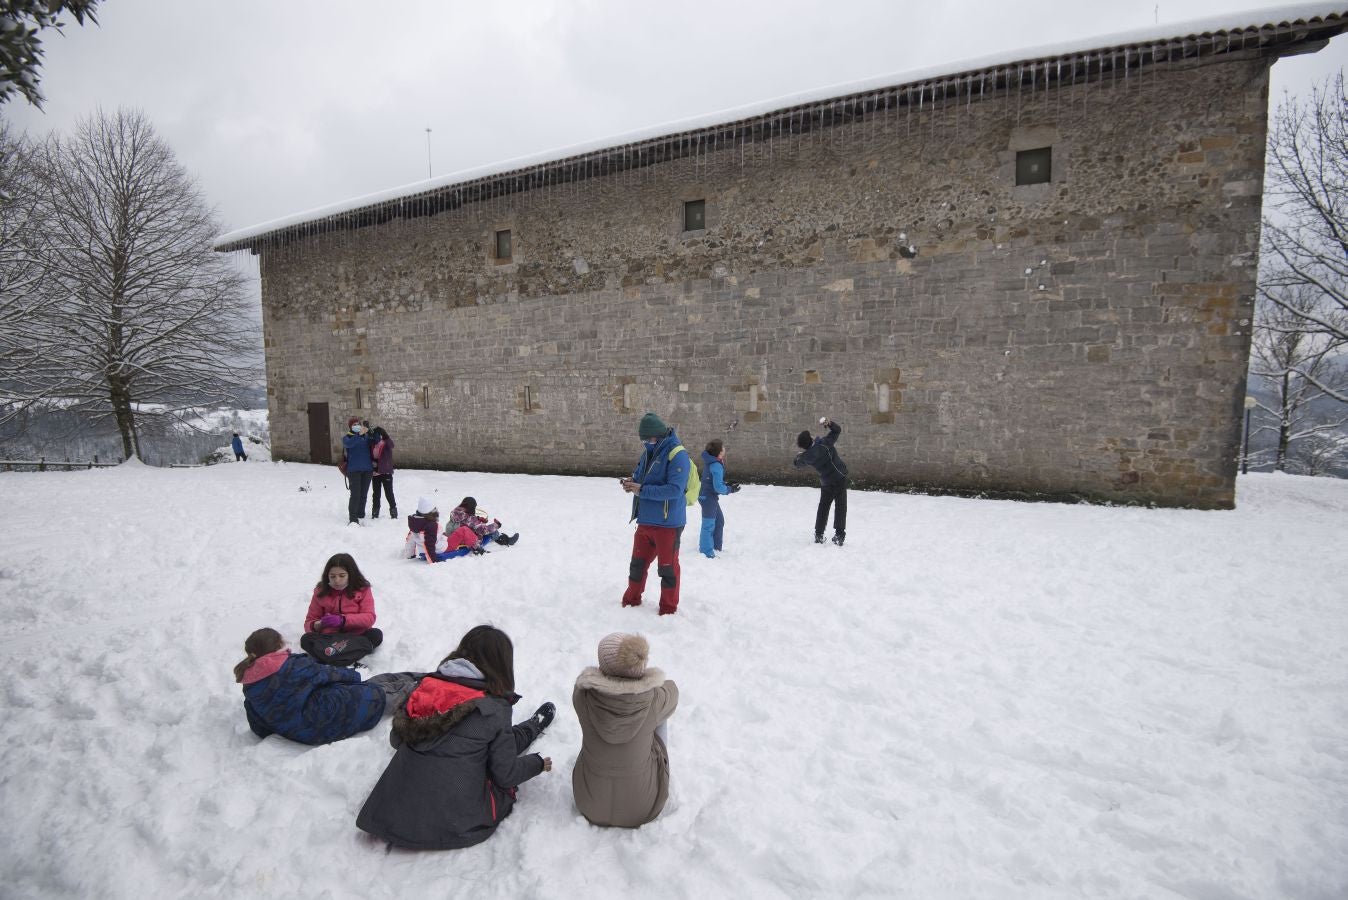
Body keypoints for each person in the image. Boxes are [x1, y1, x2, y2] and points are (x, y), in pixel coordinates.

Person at [356, 625, 557, 850]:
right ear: (501, 664)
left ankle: (529, 728)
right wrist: (537, 763)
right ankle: (532, 728)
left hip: (391, 813)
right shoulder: (493, 708)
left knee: (489, 741)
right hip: (452, 823)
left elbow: (397, 741)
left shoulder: (426, 688)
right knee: (497, 769)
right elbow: (506, 775)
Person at [235, 627, 419, 746]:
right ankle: (419, 688)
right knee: (372, 693)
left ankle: (413, 682)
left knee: (367, 687)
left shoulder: (249, 684)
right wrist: (354, 676)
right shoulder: (291, 665)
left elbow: (258, 727)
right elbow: (328, 674)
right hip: (321, 722)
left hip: (297, 732)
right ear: (278, 646)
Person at [572, 633, 678, 828]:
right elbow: (673, 691)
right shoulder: (653, 698)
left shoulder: (582, 695)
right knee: (660, 715)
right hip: (642, 808)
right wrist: (651, 682)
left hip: (589, 802)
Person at [620, 412, 690, 615]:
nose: (644, 443)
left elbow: (674, 490)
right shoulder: (649, 452)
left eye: (647, 439)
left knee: (667, 569)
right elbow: (642, 476)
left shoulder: (678, 455)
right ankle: (630, 601)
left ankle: (668, 609)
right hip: (646, 521)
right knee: (637, 565)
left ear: (657, 436)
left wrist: (641, 490)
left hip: (668, 523)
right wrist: (631, 483)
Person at [300, 553, 383, 666]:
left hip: (356, 636)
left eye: (342, 575)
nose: (337, 580)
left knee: (376, 635)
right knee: (306, 639)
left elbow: (369, 617)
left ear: (351, 574)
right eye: (332, 576)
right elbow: (309, 622)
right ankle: (347, 658)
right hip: (330, 637)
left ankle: (328, 657)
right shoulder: (320, 592)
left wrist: (343, 620)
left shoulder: (362, 589)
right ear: (327, 576)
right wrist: (316, 625)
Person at [794, 417, 850, 545]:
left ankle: (819, 534)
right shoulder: (824, 444)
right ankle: (839, 535)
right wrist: (829, 423)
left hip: (826, 482)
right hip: (839, 477)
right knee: (841, 506)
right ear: (811, 439)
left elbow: (797, 464)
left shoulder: (807, 456)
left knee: (823, 507)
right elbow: (837, 431)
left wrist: (799, 456)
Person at [405, 496, 488, 562]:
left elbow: (411, 540)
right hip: (442, 549)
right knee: (463, 530)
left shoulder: (417, 523)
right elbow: (429, 544)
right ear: (429, 512)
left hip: (430, 547)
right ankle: (478, 548)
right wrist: (433, 560)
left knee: (447, 533)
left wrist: (410, 554)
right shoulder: (431, 526)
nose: (437, 512)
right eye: (435, 510)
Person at [698, 439, 740, 558]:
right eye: (723, 447)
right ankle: (706, 551)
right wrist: (730, 489)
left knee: (719, 521)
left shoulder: (713, 461)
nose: (724, 448)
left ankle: (716, 547)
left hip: (708, 496)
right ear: (719, 452)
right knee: (708, 524)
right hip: (708, 498)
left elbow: (713, 481)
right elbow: (718, 488)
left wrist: (726, 483)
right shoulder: (716, 465)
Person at [449, 496, 519, 547]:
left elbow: (465, 521)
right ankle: (508, 540)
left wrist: (478, 519)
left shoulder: (455, 513)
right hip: (469, 541)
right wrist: (497, 525)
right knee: (494, 532)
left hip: (455, 537)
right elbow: (484, 530)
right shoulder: (470, 519)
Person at [342, 417, 374, 525]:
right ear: (350, 426)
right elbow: (349, 444)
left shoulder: (365, 437)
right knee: (355, 494)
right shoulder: (347, 437)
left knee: (363, 494)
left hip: (367, 470)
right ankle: (353, 518)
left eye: (358, 424)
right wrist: (359, 434)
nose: (357, 425)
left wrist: (371, 431)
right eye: (354, 424)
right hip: (354, 470)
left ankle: (361, 513)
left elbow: (375, 441)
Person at [369, 426, 398, 519]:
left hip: (386, 472)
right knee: (376, 494)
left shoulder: (386, 443)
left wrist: (386, 435)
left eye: (379, 434)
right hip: (376, 473)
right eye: (376, 434)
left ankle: (393, 511)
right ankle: (375, 512)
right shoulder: (372, 444)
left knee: (389, 493)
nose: (377, 436)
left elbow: (392, 445)